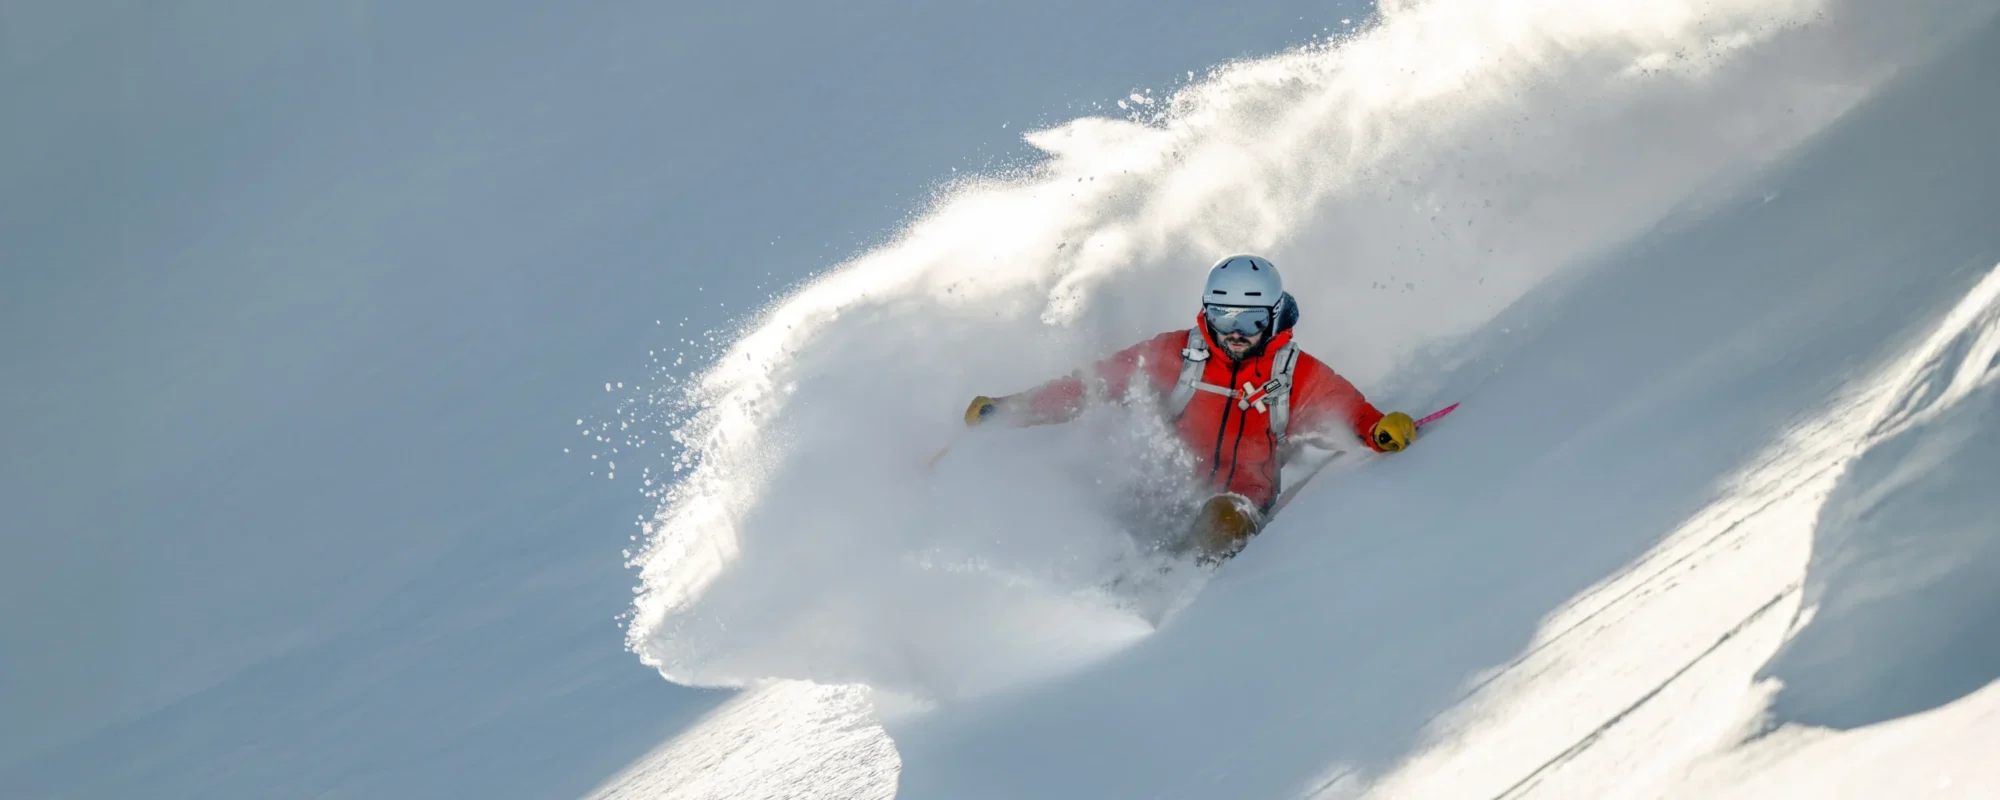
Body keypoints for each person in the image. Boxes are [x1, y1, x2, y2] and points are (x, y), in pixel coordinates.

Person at [963, 254, 1418, 561]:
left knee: (1219, 518)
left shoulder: (1293, 373)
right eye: (1223, 316)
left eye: (1251, 320)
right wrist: (1013, 409)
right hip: (1162, 497)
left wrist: (1381, 428)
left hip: (1238, 505)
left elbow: (1350, 410)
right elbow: (1092, 385)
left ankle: (1187, 613)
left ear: (1274, 315)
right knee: (1081, 505)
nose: (1235, 332)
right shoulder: (1178, 354)